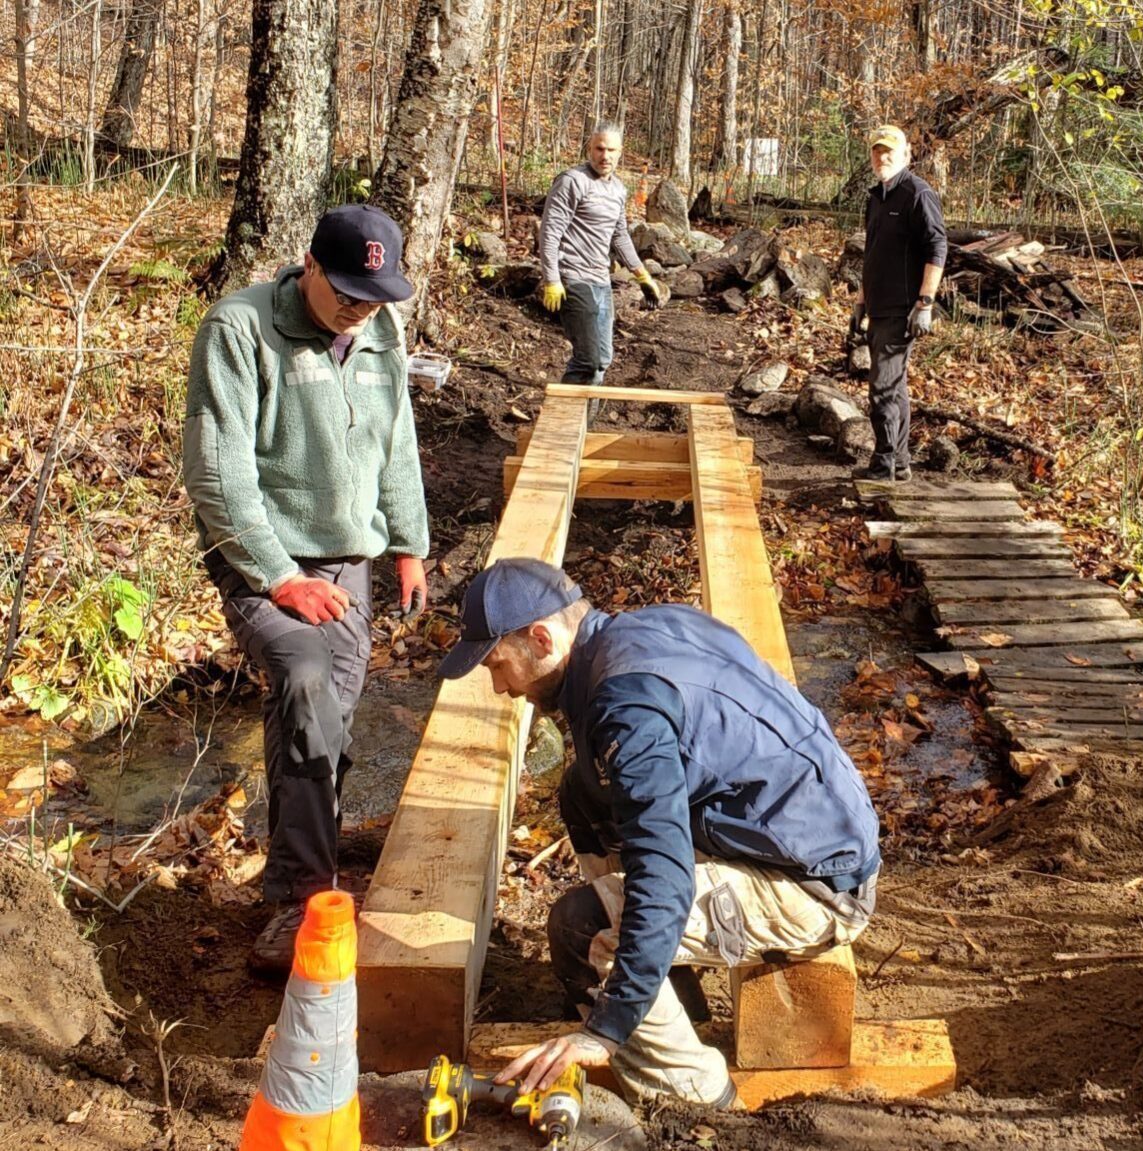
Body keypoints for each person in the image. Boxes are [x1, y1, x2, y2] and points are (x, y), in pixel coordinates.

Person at [438, 558, 881, 1106]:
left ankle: (702, 1101)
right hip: (791, 830)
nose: (501, 688)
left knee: (581, 930)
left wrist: (606, 1027)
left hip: (817, 887)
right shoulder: (640, 633)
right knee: (583, 793)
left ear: (541, 638)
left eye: (498, 666)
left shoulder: (627, 707)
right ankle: (671, 990)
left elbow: (662, 873)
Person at [182, 204, 430, 975]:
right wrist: (279, 576)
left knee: (325, 714)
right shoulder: (240, 329)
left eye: (376, 293)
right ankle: (301, 895)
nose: (362, 308)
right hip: (263, 555)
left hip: (345, 558)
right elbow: (217, 472)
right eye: (349, 291)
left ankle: (302, 869)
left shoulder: (381, 331)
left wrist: (409, 543)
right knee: (303, 675)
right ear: (310, 268)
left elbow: (396, 442)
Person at [849, 124, 948, 482]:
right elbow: (873, 253)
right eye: (877, 151)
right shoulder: (877, 196)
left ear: (907, 155)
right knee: (894, 385)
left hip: (902, 307)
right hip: (878, 305)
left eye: (890, 151)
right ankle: (900, 461)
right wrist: (861, 301)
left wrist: (925, 302)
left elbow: (938, 247)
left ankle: (885, 463)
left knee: (883, 387)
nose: (882, 157)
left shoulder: (917, 194)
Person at [539, 123, 664, 403]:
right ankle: (561, 422)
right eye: (599, 148)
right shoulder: (572, 181)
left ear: (620, 154)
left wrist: (642, 276)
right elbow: (549, 232)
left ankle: (584, 423)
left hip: (601, 280)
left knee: (603, 360)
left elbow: (619, 235)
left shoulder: (618, 189)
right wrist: (552, 280)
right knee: (587, 359)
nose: (604, 156)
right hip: (573, 278)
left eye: (611, 150)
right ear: (589, 149)